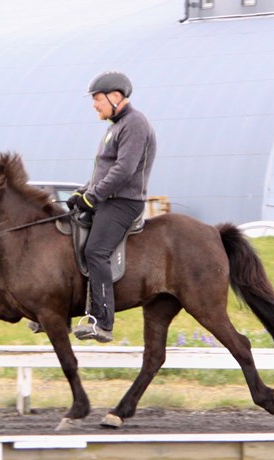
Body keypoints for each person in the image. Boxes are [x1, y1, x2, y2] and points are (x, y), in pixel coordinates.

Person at [66, 71, 157, 343]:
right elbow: (103, 171)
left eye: (97, 99)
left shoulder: (135, 124)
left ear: (115, 97)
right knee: (65, 233)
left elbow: (124, 170)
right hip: (108, 198)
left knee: (96, 251)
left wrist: (93, 197)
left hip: (124, 203)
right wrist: (83, 192)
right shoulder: (115, 126)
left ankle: (102, 322)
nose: (94, 105)